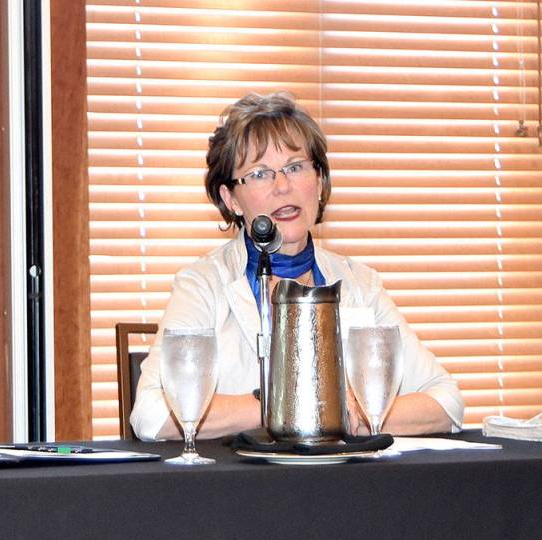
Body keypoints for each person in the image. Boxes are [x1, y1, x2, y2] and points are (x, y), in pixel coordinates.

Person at [130, 92, 463, 441]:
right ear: (231, 199)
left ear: (319, 182)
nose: (283, 186)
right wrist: (297, 406)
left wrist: (357, 418)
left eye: (295, 167)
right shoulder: (203, 284)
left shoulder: (359, 283)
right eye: (260, 173)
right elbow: (152, 415)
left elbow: (446, 402)